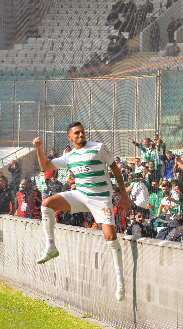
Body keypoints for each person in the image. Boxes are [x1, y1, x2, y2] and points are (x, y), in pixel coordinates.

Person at [32, 122, 131, 301]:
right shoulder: (69, 156)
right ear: (70, 137)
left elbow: (115, 169)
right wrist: (39, 149)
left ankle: (120, 282)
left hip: (101, 199)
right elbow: (45, 166)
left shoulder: (98, 148)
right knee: (46, 203)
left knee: (111, 238)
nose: (81, 135)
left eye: (83, 132)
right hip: (81, 195)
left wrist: (123, 193)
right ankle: (51, 247)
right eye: (76, 133)